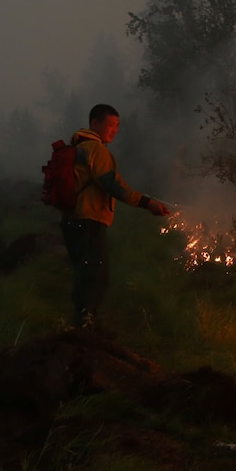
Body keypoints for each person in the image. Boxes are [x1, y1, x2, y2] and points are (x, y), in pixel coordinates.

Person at [61, 104, 170, 331]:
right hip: (89, 220)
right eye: (110, 125)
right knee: (96, 274)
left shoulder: (76, 148)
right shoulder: (96, 150)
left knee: (84, 271)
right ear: (94, 124)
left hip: (71, 220)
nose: (115, 130)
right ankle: (86, 323)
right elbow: (113, 185)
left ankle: (81, 319)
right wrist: (147, 203)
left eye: (117, 126)